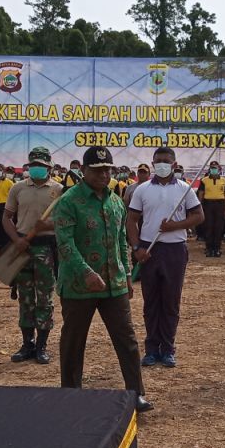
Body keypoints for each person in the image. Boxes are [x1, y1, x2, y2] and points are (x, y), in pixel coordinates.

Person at [53, 145, 151, 413]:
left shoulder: (115, 201)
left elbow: (120, 240)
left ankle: (136, 393)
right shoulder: (69, 201)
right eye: (96, 170)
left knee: (127, 339)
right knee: (74, 340)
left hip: (115, 284)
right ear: (83, 171)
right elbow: (65, 244)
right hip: (78, 286)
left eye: (107, 169)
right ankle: (71, 394)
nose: (103, 175)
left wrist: (127, 275)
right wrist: (86, 272)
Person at [127, 147, 204, 369]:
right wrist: (136, 247)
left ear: (174, 163)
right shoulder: (141, 190)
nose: (161, 165)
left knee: (170, 302)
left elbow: (199, 216)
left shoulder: (185, 189)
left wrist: (175, 226)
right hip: (149, 251)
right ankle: (151, 349)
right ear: (152, 164)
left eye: (165, 161)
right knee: (151, 302)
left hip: (175, 251)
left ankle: (168, 349)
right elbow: (131, 220)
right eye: (157, 161)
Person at [2, 146, 63, 364]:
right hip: (22, 247)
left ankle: (42, 346)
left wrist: (47, 224)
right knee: (25, 298)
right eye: (34, 165)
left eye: (41, 165)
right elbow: (6, 217)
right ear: (28, 166)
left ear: (49, 167)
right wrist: (16, 240)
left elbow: (66, 220)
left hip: (46, 248)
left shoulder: (59, 190)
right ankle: (27, 344)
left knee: (45, 298)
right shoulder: (18, 188)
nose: (37, 169)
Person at [197, 159, 225, 257]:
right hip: (208, 204)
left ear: (219, 169)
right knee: (208, 227)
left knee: (219, 227)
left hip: (220, 204)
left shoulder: (224, 180)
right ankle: (209, 248)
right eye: (212, 168)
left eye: (215, 168)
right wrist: (199, 206)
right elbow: (201, 194)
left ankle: (217, 249)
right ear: (209, 169)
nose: (213, 170)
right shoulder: (204, 180)